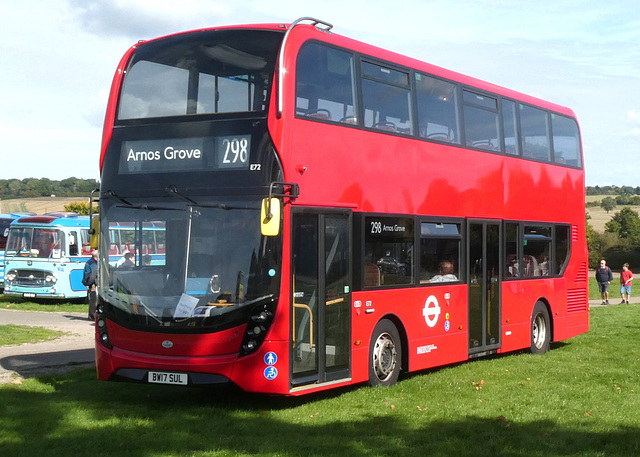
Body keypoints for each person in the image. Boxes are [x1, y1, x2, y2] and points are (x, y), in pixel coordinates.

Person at [82, 250, 99, 319]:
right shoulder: (93, 264)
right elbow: (92, 275)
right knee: (93, 299)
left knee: (93, 299)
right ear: (97, 256)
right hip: (92, 283)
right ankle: (92, 315)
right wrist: (88, 284)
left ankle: (91, 315)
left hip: (90, 282)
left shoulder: (89, 262)